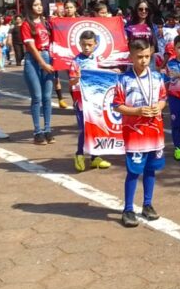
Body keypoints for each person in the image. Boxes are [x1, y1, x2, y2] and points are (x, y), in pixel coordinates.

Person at [113, 39, 167, 228]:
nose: (144, 60)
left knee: (151, 169)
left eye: (147, 56)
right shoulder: (123, 80)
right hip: (134, 133)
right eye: (139, 57)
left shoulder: (157, 77)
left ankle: (147, 204)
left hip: (154, 131)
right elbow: (117, 106)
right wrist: (136, 111)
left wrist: (157, 108)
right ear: (131, 57)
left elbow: (162, 99)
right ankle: (128, 209)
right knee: (134, 171)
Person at [68, 31, 112, 171]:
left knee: (96, 127)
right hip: (81, 99)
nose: (86, 47)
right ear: (79, 44)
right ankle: (79, 155)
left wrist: (113, 72)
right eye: (84, 45)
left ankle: (95, 157)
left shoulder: (97, 59)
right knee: (84, 129)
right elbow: (71, 81)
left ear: (96, 44)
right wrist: (77, 78)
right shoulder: (75, 61)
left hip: (96, 99)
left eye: (89, 45)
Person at [21, 0, 57, 145]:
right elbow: (31, 47)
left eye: (40, 4)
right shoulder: (26, 25)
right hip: (33, 60)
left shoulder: (46, 23)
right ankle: (37, 131)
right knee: (37, 97)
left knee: (47, 97)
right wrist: (42, 63)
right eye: (35, 5)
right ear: (30, 8)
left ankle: (48, 129)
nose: (39, 7)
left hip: (47, 56)